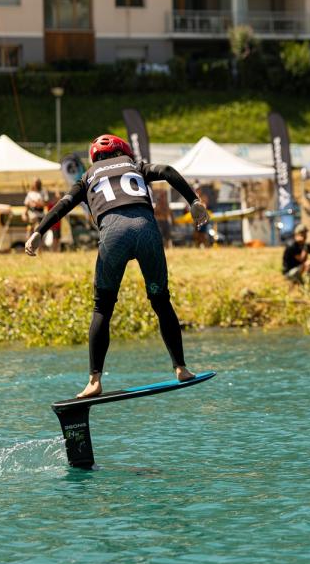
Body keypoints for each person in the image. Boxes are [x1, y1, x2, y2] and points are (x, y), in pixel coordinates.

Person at [25, 134, 210, 399]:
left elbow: (64, 203)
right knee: (161, 301)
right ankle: (181, 368)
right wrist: (194, 201)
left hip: (113, 236)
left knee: (103, 307)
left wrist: (39, 232)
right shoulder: (134, 165)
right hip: (147, 232)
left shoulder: (88, 176)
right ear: (124, 152)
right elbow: (167, 171)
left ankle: (94, 381)